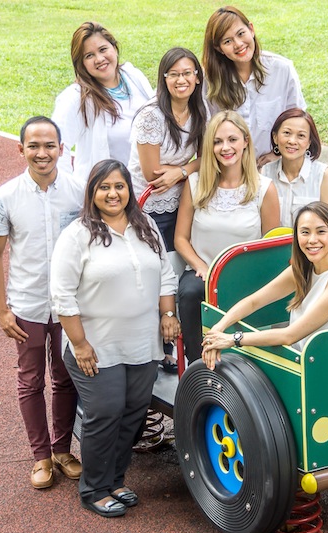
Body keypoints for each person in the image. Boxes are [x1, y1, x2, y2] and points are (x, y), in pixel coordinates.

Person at [50, 159, 179, 517]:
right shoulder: (77, 235)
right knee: (104, 412)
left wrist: (167, 315)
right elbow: (62, 295)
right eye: (104, 187)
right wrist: (79, 343)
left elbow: (166, 276)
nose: (112, 193)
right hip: (95, 344)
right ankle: (94, 489)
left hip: (142, 342)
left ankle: (116, 480)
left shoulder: (146, 225)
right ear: (92, 192)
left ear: (129, 190)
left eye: (119, 186)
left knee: (133, 415)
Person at [0, 116, 84, 489]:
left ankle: (62, 450)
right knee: (30, 380)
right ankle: (40, 456)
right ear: (21, 149)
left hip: (67, 306)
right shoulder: (5, 196)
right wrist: (0, 309)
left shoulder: (78, 191)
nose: (42, 153)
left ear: (61, 148)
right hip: (26, 306)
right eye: (34, 146)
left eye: (49, 145)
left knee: (65, 377)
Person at [202, 201, 328, 367]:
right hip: (307, 365)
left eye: (321, 231)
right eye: (305, 232)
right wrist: (218, 329)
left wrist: (232, 339)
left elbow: (289, 335)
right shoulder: (303, 270)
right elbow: (254, 302)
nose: (312, 240)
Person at [175, 110, 280, 364]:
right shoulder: (195, 183)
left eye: (232, 139)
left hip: (245, 275)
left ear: (245, 141)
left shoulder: (264, 188)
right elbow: (180, 237)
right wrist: (201, 266)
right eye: (218, 141)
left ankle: (244, 362)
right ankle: (196, 363)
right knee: (190, 292)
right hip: (202, 272)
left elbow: (270, 245)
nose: (225, 147)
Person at [128, 46, 207, 373]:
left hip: (185, 196)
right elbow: (152, 175)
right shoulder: (151, 116)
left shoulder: (201, 109)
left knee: (181, 270)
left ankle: (184, 343)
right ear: (164, 78)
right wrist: (186, 169)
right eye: (174, 74)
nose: (181, 80)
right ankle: (155, 347)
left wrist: (182, 171)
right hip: (150, 204)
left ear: (197, 77)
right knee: (156, 275)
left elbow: (211, 156)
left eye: (187, 73)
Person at [203, 6, 306, 166]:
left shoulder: (282, 69)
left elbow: (299, 121)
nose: (238, 44)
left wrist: (277, 154)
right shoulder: (209, 80)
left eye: (241, 34)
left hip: (272, 169)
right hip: (228, 171)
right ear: (219, 48)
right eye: (227, 41)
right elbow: (206, 130)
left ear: (251, 29)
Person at [52, 21, 153, 183]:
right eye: (89, 55)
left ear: (114, 47)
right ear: (81, 63)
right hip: (105, 197)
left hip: (144, 190)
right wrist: (70, 194)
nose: (99, 59)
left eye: (103, 49)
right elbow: (56, 148)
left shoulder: (133, 76)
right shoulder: (76, 97)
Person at [261, 108, 328, 227]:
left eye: (301, 135)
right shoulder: (265, 172)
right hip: (274, 244)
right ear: (275, 137)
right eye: (287, 133)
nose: (292, 141)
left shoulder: (323, 174)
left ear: (309, 142)